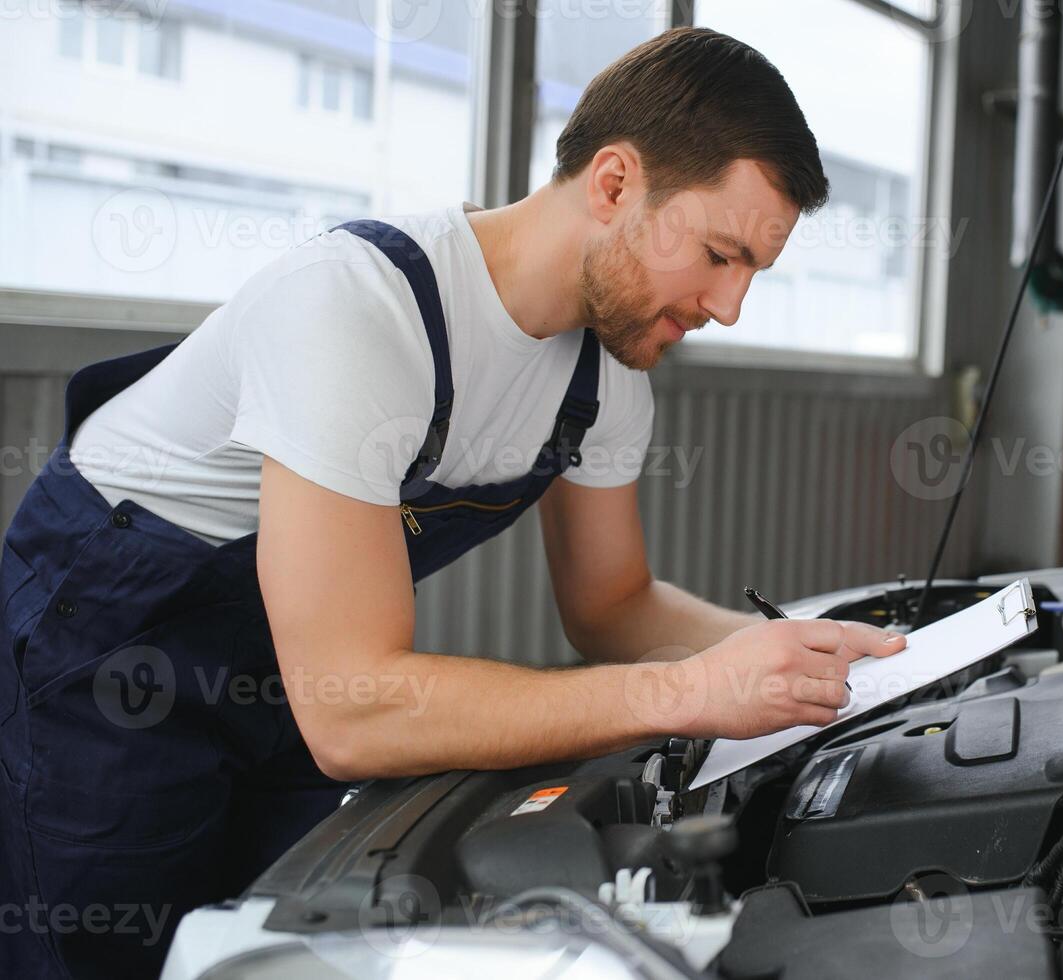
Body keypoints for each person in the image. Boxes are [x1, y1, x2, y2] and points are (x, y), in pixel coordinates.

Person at [0, 27, 908, 979]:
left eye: (753, 272)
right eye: (722, 256)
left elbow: (613, 609)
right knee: (108, 951)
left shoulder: (605, 375)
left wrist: (814, 658)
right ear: (612, 184)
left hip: (289, 658)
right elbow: (352, 712)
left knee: (264, 949)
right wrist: (690, 692)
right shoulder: (357, 308)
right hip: (109, 633)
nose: (730, 307)